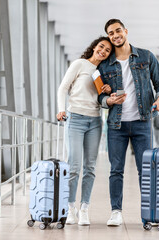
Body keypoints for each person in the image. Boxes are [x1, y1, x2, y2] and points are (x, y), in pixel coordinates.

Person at [97, 19, 159, 226]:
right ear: (109, 37)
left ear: (126, 31)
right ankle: (116, 212)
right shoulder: (104, 65)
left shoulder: (145, 57)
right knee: (116, 169)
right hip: (116, 125)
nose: (115, 35)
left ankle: (150, 212)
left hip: (142, 122)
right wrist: (107, 100)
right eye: (111, 33)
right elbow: (98, 96)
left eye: (118, 30)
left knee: (146, 170)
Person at [57, 36, 112, 226]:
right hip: (75, 119)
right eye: (101, 47)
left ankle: (84, 208)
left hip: (95, 121)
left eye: (107, 50)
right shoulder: (80, 64)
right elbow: (63, 88)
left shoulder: (103, 72)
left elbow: (103, 102)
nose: (103, 51)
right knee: (73, 166)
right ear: (95, 47)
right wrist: (61, 109)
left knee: (90, 167)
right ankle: (70, 208)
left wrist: (106, 90)